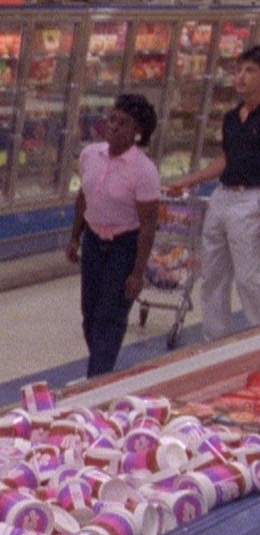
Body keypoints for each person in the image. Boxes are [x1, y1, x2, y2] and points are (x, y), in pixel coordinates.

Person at [166, 45, 260, 342]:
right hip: (223, 197)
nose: (241, 77)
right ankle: (215, 340)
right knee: (212, 276)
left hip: (252, 199)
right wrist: (190, 180)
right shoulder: (233, 118)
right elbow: (227, 159)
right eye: (238, 70)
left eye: (250, 70)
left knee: (249, 277)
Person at [68, 95, 161, 378]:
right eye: (113, 120)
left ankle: (97, 378)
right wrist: (75, 237)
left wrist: (137, 272)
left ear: (138, 132)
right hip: (94, 242)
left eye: (124, 123)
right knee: (90, 315)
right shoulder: (90, 156)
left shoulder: (144, 171)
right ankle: (102, 371)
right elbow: (83, 199)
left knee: (111, 316)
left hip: (125, 245)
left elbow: (148, 224)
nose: (114, 127)